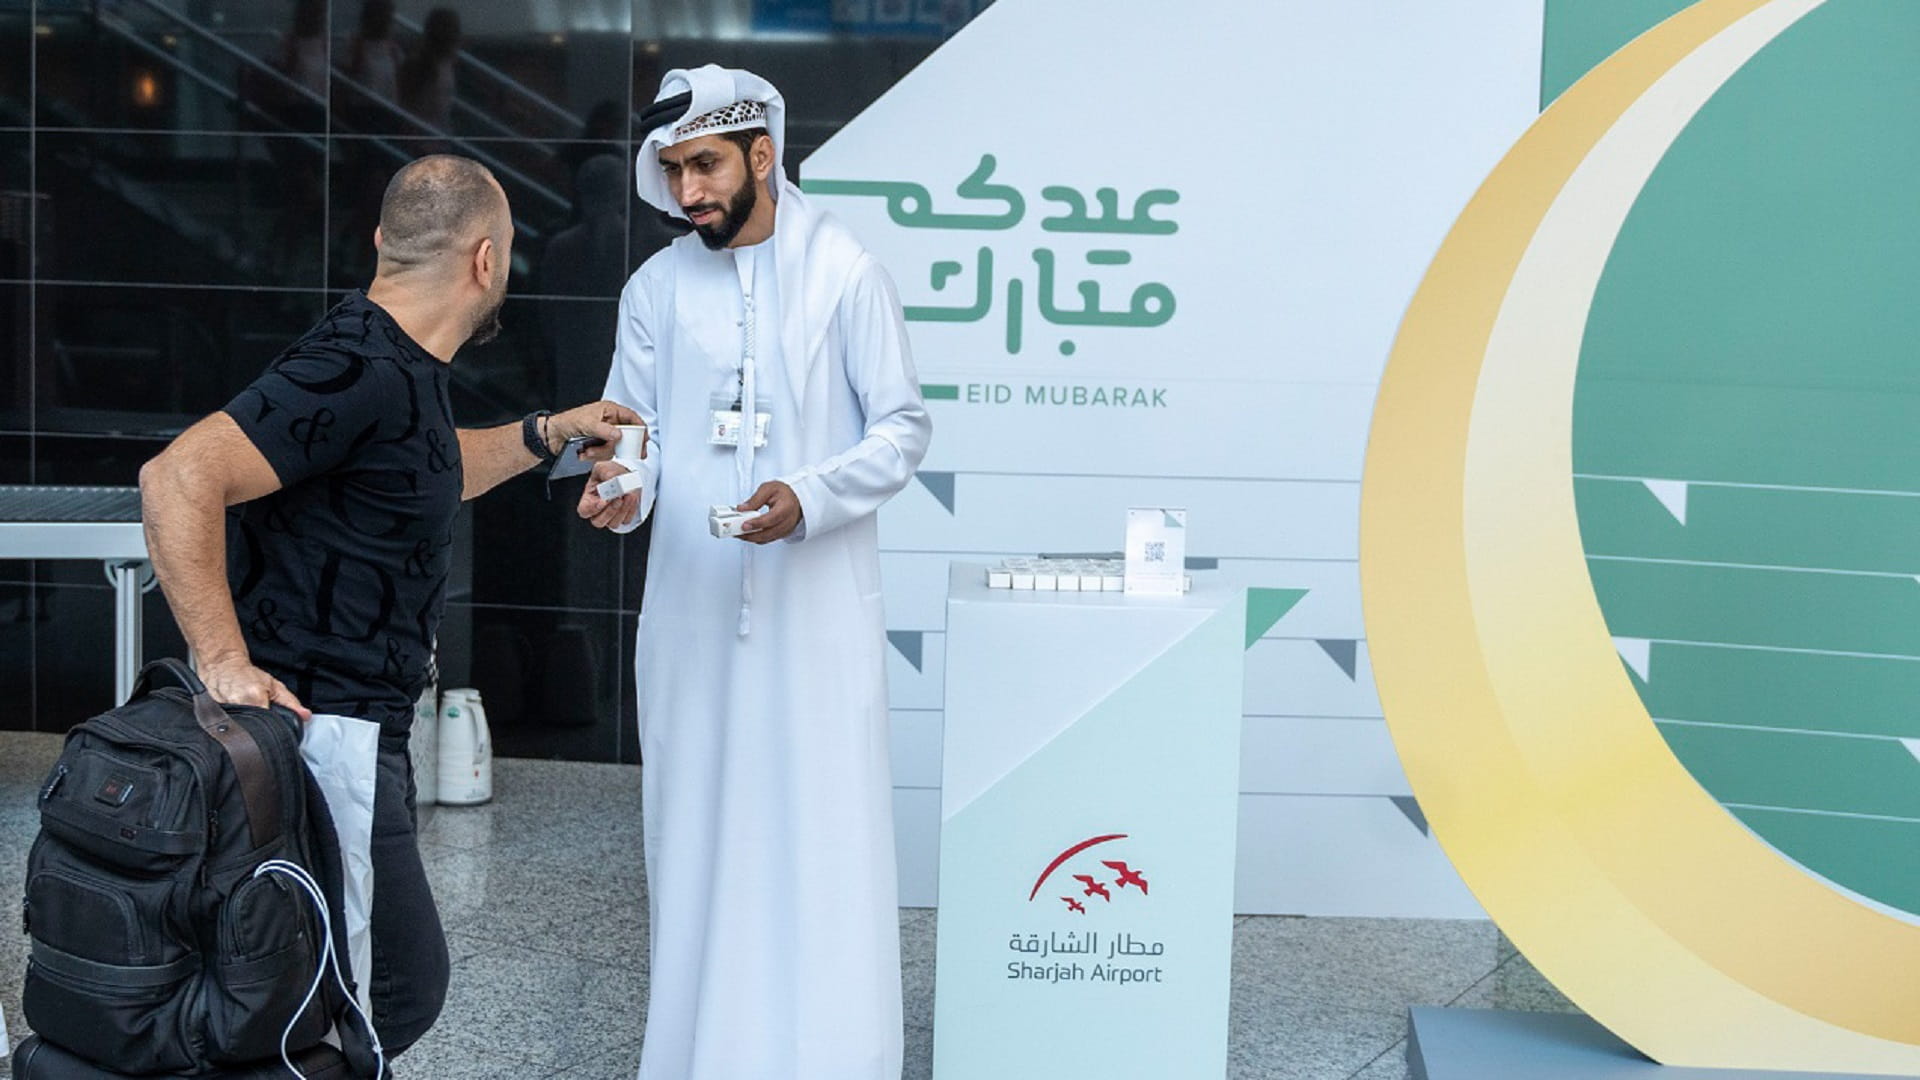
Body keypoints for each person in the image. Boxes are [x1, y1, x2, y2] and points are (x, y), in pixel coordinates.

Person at [138, 154, 640, 1059]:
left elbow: (422, 471)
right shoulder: (356, 365)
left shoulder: (392, 366)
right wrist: (222, 659)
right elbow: (177, 476)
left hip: (357, 738)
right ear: (487, 262)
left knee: (331, 991)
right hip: (318, 740)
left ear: (383, 241)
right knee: (390, 988)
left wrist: (546, 434)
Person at [577, 65, 931, 1080]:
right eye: (674, 169)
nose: (688, 191)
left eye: (706, 165)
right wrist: (621, 490)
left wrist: (811, 498)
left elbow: (903, 427)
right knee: (692, 836)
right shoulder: (654, 290)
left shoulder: (843, 271)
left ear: (762, 153)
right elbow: (630, 436)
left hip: (815, 613)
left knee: (821, 835)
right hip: (689, 611)